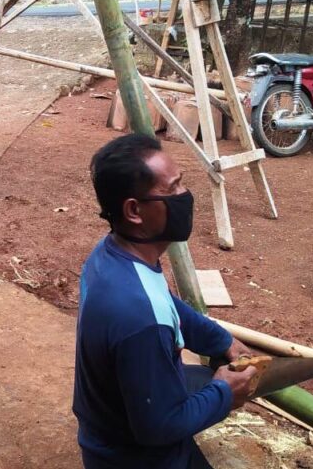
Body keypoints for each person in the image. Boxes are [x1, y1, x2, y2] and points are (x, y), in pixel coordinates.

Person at [74, 133, 259, 467]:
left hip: (108, 430)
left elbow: (169, 304)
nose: (184, 196)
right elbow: (158, 427)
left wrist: (221, 340)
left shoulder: (112, 256)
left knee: (198, 381)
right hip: (135, 458)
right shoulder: (139, 317)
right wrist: (223, 394)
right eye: (173, 188)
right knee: (208, 388)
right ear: (134, 210)